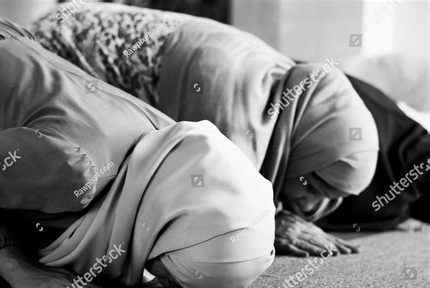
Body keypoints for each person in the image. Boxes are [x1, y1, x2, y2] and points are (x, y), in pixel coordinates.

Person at [35, 3, 421, 257]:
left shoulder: (283, 96)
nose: (317, 209)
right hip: (46, 54)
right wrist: (271, 225)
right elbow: (211, 219)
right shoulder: (231, 110)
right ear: (303, 146)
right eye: (317, 188)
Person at [0, 13, 276, 288]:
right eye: (174, 279)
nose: (158, 282)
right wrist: (12, 264)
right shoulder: (73, 168)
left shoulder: (171, 150)